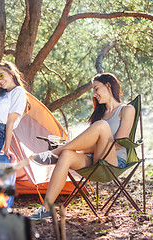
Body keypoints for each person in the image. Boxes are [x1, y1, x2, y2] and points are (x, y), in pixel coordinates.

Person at [29, 73, 136, 220]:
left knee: (102, 126)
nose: (95, 94)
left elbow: (118, 144)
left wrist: (72, 146)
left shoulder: (126, 109)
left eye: (96, 89)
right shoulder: (100, 113)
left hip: (114, 162)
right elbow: (91, 146)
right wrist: (72, 148)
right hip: (95, 160)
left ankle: (55, 153)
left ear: (108, 86)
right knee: (67, 155)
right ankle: (46, 208)